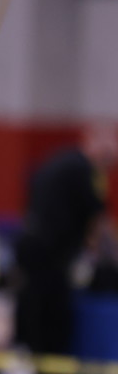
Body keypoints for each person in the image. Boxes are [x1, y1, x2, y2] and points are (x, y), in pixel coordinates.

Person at [13, 125, 117, 357]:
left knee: (31, 311)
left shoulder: (57, 162)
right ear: (99, 149)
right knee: (52, 320)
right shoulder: (85, 171)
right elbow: (99, 222)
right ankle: (48, 367)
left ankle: (28, 357)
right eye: (109, 159)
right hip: (51, 256)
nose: (109, 167)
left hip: (31, 248)